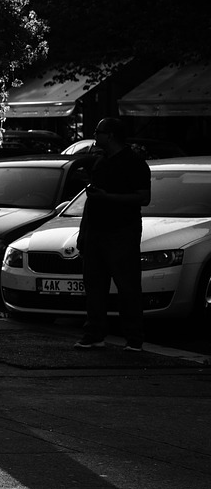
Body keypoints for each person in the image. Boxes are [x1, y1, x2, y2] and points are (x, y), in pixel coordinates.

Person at [76, 117, 151, 351]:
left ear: (110, 135)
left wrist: (108, 197)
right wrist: (83, 232)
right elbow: (92, 200)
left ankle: (134, 338)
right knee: (94, 285)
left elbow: (144, 197)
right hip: (97, 231)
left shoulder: (134, 162)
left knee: (127, 285)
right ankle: (94, 333)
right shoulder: (101, 162)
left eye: (98, 132)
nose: (94, 135)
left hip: (121, 231)